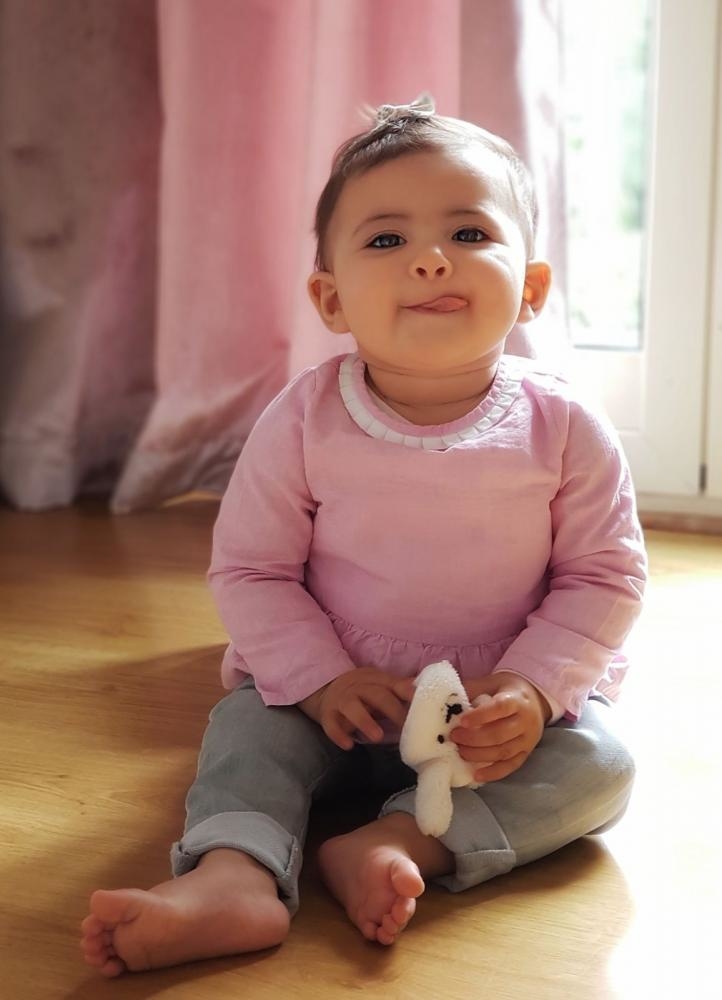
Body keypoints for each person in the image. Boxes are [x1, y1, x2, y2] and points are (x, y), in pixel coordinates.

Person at [80, 94, 647, 976]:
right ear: (331, 298)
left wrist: (533, 693)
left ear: (531, 287)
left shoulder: (565, 426)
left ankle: (398, 843)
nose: (429, 260)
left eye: (469, 233)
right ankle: (235, 874)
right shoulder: (304, 419)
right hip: (338, 701)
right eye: (386, 240)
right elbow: (253, 571)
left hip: (489, 720)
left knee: (602, 765)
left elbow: (604, 577)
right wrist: (320, 682)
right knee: (246, 731)